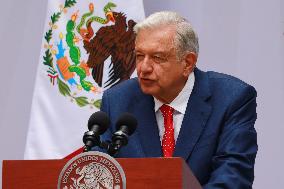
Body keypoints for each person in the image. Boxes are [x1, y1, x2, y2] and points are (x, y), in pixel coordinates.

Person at [99, 11, 257, 188]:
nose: (143, 68)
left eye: (157, 58)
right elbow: (97, 172)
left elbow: (233, 177)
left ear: (188, 63)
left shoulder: (231, 99)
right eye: (139, 56)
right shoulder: (117, 101)